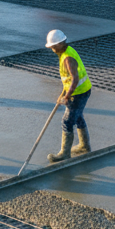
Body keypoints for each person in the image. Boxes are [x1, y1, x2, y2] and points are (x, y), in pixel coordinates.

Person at [44, 29, 92, 163]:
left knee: (67, 121)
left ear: (60, 43)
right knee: (77, 117)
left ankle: (65, 153)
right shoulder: (67, 51)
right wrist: (65, 90)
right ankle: (84, 146)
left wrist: (67, 96)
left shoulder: (68, 58)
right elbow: (69, 79)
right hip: (81, 90)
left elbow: (75, 79)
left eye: (54, 46)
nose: (52, 48)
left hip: (78, 93)